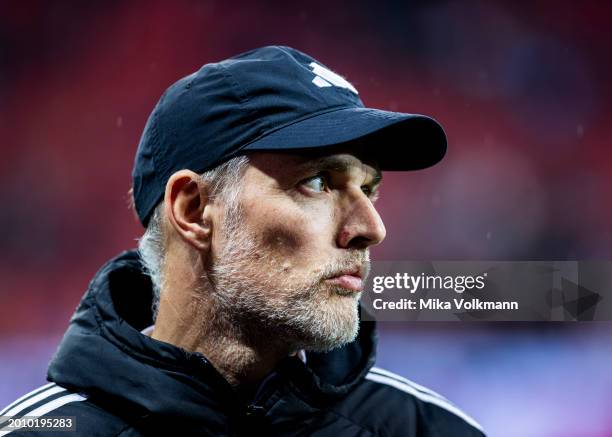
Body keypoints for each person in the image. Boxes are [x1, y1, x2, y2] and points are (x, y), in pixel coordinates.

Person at [0, 46, 484, 436]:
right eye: (317, 182)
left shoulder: (424, 427)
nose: (372, 227)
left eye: (369, 188)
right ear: (193, 210)